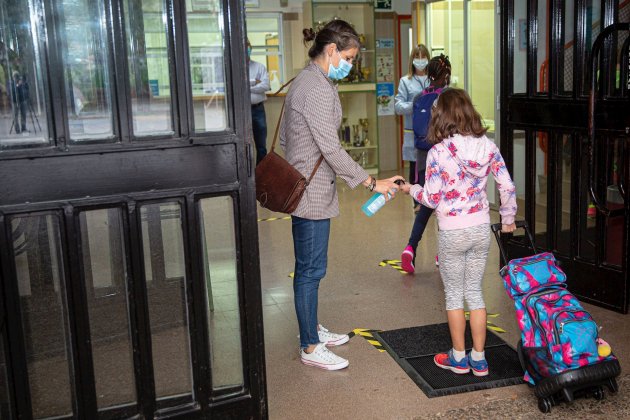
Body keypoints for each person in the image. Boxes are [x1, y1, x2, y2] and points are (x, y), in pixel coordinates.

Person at [280, 19, 403, 371]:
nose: (350, 66)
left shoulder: (310, 79)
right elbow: (331, 149)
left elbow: (291, 141)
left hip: (307, 185)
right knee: (310, 270)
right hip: (310, 193)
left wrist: (300, 163)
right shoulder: (315, 87)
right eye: (348, 57)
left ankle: (310, 327)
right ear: (331, 50)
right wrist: (370, 182)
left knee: (311, 267)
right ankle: (309, 346)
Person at [399, 88, 517, 377]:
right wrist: (508, 217)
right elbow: (506, 185)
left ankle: (459, 358)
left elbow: (432, 198)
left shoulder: (438, 153)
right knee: (475, 293)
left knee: (454, 296)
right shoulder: (488, 147)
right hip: (479, 229)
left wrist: (410, 189)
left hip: (453, 232)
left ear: (442, 116)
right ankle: (479, 359)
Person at [400, 55, 451, 274]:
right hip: (445, 158)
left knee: (426, 206)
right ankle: (443, 254)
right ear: (446, 75)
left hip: (423, 158)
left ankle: (411, 247)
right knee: (446, 208)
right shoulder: (449, 97)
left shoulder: (420, 96)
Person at [394, 44, 431, 204]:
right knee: (416, 168)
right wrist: (415, 104)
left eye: (424, 57)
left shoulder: (433, 80)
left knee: (432, 167)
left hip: (432, 132)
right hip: (413, 133)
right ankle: (417, 202)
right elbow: (398, 106)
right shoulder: (405, 81)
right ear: (412, 60)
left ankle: (431, 201)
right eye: (418, 57)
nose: (421, 61)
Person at [247, 39, 270, 165]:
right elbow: (237, 89)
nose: (247, 49)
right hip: (243, 111)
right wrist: (255, 83)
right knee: (246, 145)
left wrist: (248, 88)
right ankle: (249, 177)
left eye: (248, 46)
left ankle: (260, 175)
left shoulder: (259, 67)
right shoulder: (235, 69)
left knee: (261, 145)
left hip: (258, 110)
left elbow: (266, 86)